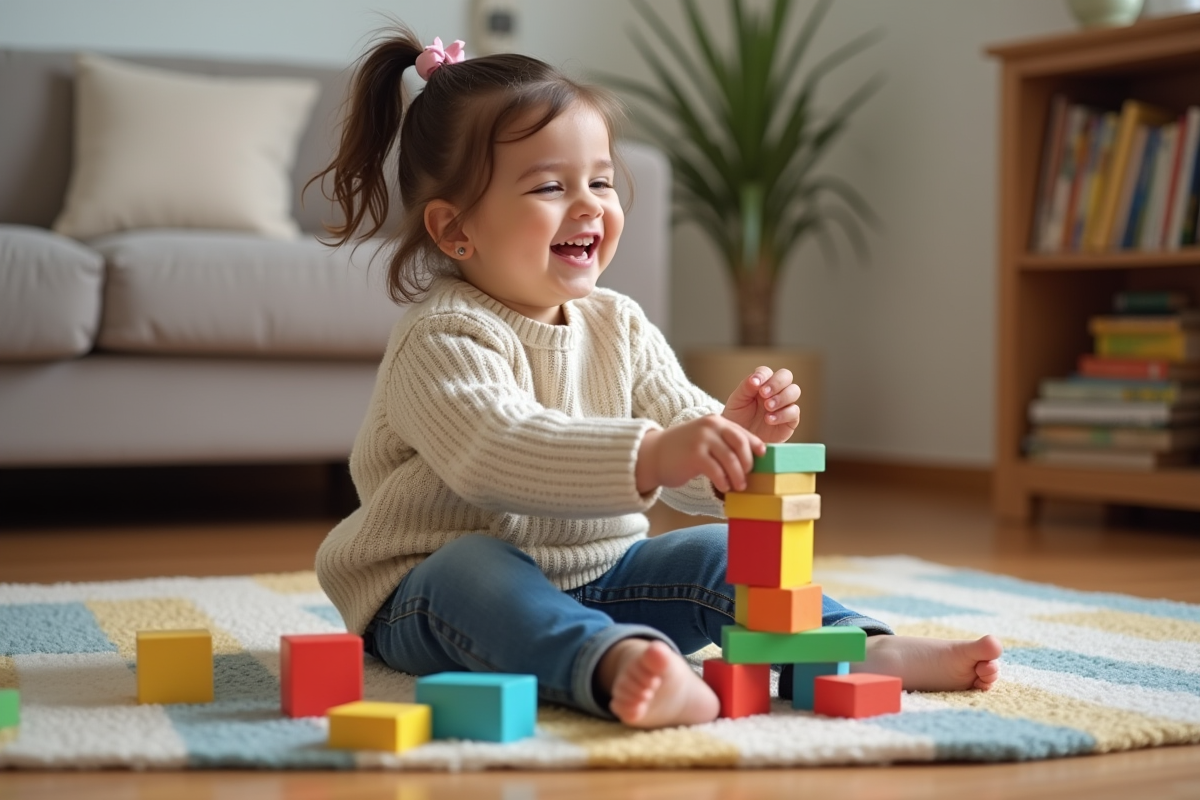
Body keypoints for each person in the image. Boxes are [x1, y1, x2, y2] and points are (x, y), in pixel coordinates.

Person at [313, 26, 1002, 729]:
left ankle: (854, 646)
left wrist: (731, 442)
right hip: (425, 593)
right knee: (476, 567)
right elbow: (496, 453)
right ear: (455, 230)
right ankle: (615, 663)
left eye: (601, 182)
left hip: (602, 575)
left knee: (721, 552)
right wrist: (652, 454)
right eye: (550, 186)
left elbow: (682, 450)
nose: (589, 205)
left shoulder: (619, 323)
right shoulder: (443, 336)